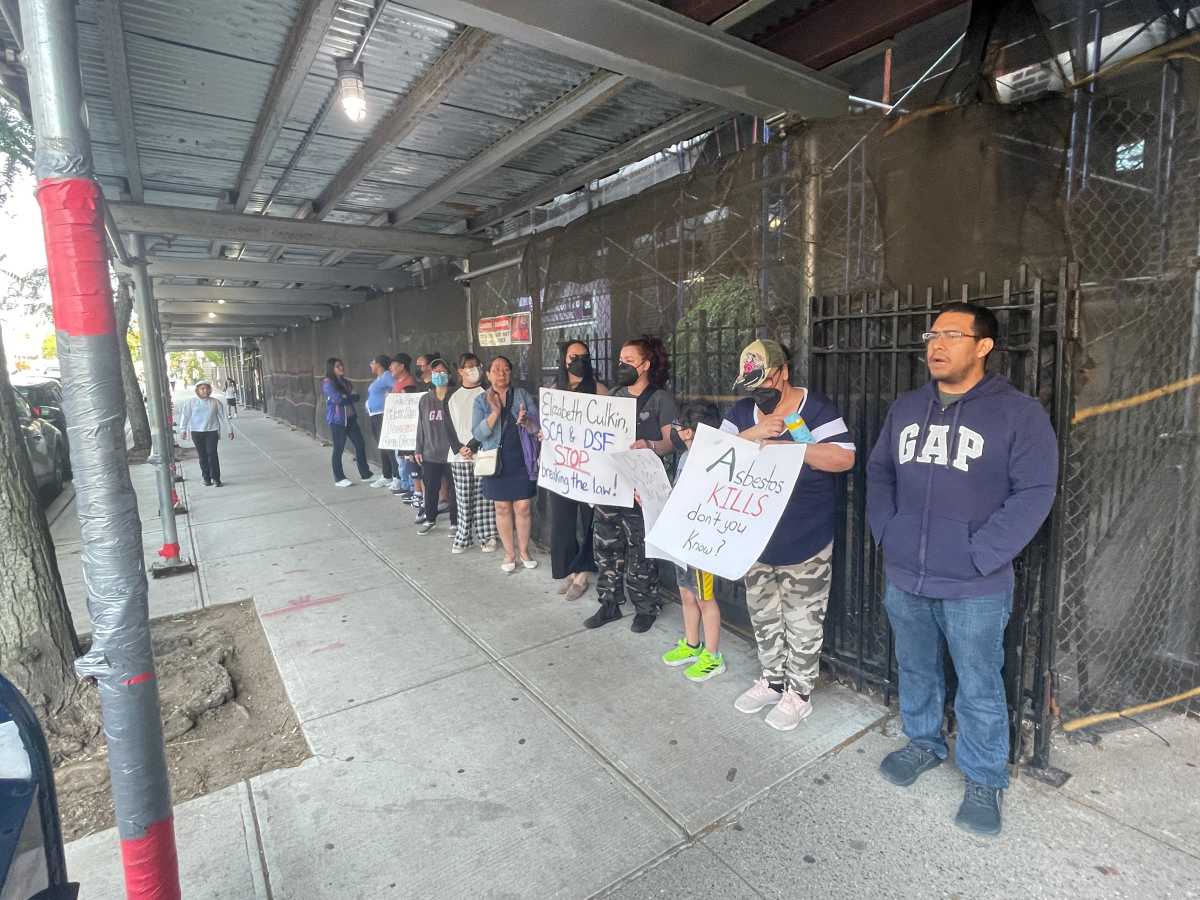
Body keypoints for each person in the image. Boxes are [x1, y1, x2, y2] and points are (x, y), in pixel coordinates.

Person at [866, 302, 1058, 836]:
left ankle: (984, 776)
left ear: (983, 346)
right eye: (932, 334)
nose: (936, 344)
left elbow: (1036, 492)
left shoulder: (1019, 413)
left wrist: (982, 553)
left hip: (976, 582)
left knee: (978, 682)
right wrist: (889, 531)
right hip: (906, 574)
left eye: (952, 334)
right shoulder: (906, 408)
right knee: (916, 667)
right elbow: (880, 473)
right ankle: (923, 743)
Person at [723, 339, 855, 731]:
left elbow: (844, 457)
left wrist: (791, 447)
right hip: (755, 537)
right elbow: (711, 453)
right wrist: (755, 434)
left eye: (765, 382)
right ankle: (773, 679)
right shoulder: (742, 413)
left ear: (783, 373)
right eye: (751, 385)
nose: (757, 392)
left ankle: (799, 693)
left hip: (805, 537)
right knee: (763, 614)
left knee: (803, 619)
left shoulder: (815, 409)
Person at [584, 336, 676, 633]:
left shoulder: (661, 399)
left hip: (641, 488)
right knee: (607, 546)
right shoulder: (613, 395)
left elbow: (670, 443)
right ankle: (609, 602)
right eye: (620, 359)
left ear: (645, 365)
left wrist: (650, 444)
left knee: (640, 550)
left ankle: (646, 606)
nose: (621, 365)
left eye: (629, 360)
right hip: (610, 486)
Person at [660, 400, 726, 682]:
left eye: (681, 427)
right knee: (686, 593)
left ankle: (713, 655)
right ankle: (692, 643)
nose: (679, 432)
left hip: (700, 543)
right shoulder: (687, 458)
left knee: (704, 597)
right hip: (682, 538)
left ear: (688, 432)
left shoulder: (714, 460)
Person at [550, 340, 608, 600]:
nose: (579, 361)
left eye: (584, 356)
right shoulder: (554, 389)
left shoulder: (599, 389)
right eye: (574, 356)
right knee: (562, 519)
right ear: (565, 359)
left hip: (589, 467)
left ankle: (584, 572)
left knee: (588, 521)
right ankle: (569, 568)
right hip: (562, 465)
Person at [472, 356, 539, 573]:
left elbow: (537, 427)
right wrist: (495, 413)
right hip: (496, 461)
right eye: (497, 369)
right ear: (488, 374)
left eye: (506, 369)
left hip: (520, 459)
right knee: (501, 508)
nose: (502, 373)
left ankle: (524, 551)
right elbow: (479, 434)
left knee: (523, 507)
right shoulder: (481, 400)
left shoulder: (522, 395)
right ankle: (509, 554)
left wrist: (526, 421)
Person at [446, 353, 497, 554]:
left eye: (476, 365)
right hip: (459, 456)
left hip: (481, 453)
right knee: (463, 497)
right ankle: (463, 536)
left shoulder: (487, 393)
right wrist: (459, 447)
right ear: (460, 371)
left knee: (484, 497)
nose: (473, 369)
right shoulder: (452, 396)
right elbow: (448, 425)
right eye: (468, 366)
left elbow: (488, 423)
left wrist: (473, 445)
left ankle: (487, 536)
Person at [414, 359, 458, 535]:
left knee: (455, 490)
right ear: (431, 376)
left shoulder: (455, 396)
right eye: (436, 372)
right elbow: (420, 425)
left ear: (449, 374)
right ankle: (430, 519)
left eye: (443, 372)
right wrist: (418, 449)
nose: (439, 375)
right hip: (431, 453)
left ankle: (455, 523)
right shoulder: (425, 400)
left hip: (453, 453)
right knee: (431, 489)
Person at [322, 357, 372, 487]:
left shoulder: (346, 382)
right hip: (338, 421)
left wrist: (346, 397)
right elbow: (339, 400)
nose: (341, 368)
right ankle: (339, 478)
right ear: (331, 369)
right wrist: (347, 397)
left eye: (342, 365)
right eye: (338, 366)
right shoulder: (328, 383)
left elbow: (356, 397)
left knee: (360, 445)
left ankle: (365, 474)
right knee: (338, 449)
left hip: (351, 419)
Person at [180, 380, 234, 487]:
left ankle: (216, 478)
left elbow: (224, 416)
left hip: (212, 431)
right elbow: (185, 416)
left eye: (207, 388)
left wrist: (229, 429)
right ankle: (206, 478)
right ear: (197, 390)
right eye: (202, 389)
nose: (205, 391)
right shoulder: (191, 403)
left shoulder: (215, 402)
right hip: (196, 432)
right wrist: (183, 430)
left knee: (212, 453)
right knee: (202, 455)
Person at [388, 353, 419, 500]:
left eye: (393, 364)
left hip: (405, 427)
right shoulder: (398, 381)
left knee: (406, 458)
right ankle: (407, 485)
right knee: (400, 457)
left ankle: (411, 487)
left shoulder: (409, 383)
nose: (390, 368)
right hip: (397, 426)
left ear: (402, 366)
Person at [366, 355, 395, 488]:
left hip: (382, 415)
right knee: (382, 445)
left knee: (387, 446)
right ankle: (387, 475)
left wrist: (389, 396)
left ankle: (394, 476)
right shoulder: (379, 378)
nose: (370, 365)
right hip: (375, 415)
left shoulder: (387, 375)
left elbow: (396, 387)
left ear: (379, 364)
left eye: (372, 362)